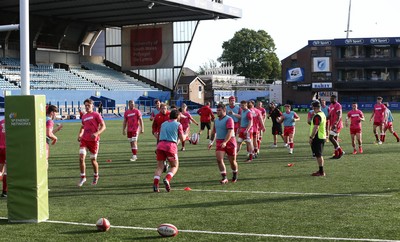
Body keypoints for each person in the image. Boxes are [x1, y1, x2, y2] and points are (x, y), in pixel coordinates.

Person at [153, 109, 186, 192]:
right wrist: (186, 135)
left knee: (160, 167)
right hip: (170, 147)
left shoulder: (163, 124)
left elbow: (160, 135)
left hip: (160, 145)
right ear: (178, 116)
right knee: (174, 166)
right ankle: (167, 179)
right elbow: (182, 138)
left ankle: (156, 184)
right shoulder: (178, 124)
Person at [77, 99, 106, 187]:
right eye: (85, 105)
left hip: (94, 141)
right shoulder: (84, 116)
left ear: (92, 106)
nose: (86, 107)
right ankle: (83, 177)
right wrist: (80, 134)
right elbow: (82, 127)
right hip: (84, 140)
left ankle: (96, 175)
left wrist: (97, 133)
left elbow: (103, 126)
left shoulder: (96, 115)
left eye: (88, 105)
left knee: (93, 160)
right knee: (81, 158)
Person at [208, 103, 238, 184]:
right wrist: (211, 142)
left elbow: (230, 132)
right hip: (219, 141)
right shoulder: (216, 120)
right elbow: (214, 132)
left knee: (232, 161)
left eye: (219, 110)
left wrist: (225, 142)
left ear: (224, 110)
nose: (217, 112)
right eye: (217, 110)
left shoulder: (229, 119)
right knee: (219, 159)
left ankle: (235, 174)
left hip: (230, 141)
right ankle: (224, 178)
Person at [309, 100, 327, 176]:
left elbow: (316, 127)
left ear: (314, 107)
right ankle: (320, 170)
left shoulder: (317, 116)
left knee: (319, 155)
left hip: (318, 137)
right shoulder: (322, 114)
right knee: (318, 155)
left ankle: (321, 171)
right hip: (321, 136)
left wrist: (311, 137)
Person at [328, 95, 344, 159]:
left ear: (335, 99)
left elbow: (339, 115)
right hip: (333, 124)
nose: (330, 99)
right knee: (335, 139)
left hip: (337, 125)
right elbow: (330, 116)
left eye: (331, 98)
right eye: (330, 98)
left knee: (330, 137)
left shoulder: (338, 105)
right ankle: (337, 154)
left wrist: (336, 123)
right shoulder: (331, 106)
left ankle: (340, 151)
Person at [0, 119, 7, 197]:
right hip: (7, 148)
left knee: (0, 170)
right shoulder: (12, 122)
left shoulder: (1, 122)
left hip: (0, 147)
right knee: (7, 172)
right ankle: (5, 192)